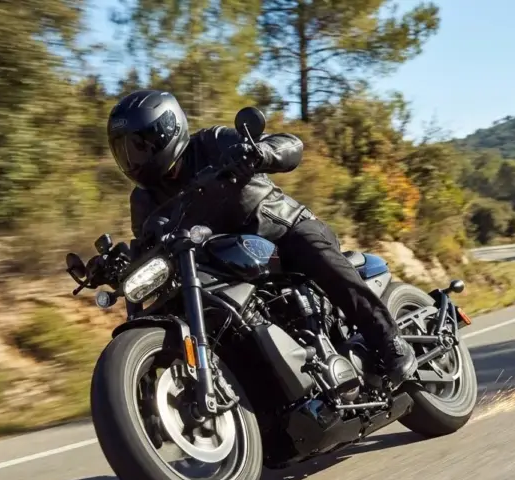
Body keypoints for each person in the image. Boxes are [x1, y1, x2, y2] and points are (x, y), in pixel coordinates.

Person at [106, 89, 417, 383]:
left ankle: (388, 340)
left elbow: (290, 145)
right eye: (124, 151)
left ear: (166, 131)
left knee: (320, 258)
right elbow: (149, 242)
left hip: (280, 229)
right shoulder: (142, 199)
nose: (133, 159)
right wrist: (122, 263)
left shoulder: (212, 143)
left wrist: (260, 153)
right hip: (217, 264)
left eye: (139, 146)